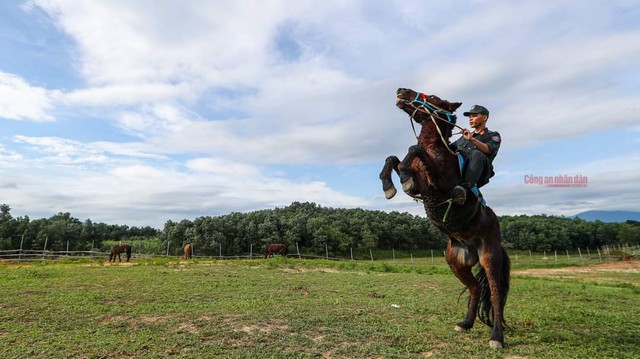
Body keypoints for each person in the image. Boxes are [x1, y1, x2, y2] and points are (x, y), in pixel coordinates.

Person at [449, 104, 501, 204]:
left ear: (484, 118)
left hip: (480, 173)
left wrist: (471, 139)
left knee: (477, 154)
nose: (470, 119)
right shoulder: (464, 137)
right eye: (469, 117)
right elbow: (448, 148)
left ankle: (464, 188)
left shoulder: (493, 135)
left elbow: (489, 149)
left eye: (474, 116)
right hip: (460, 171)